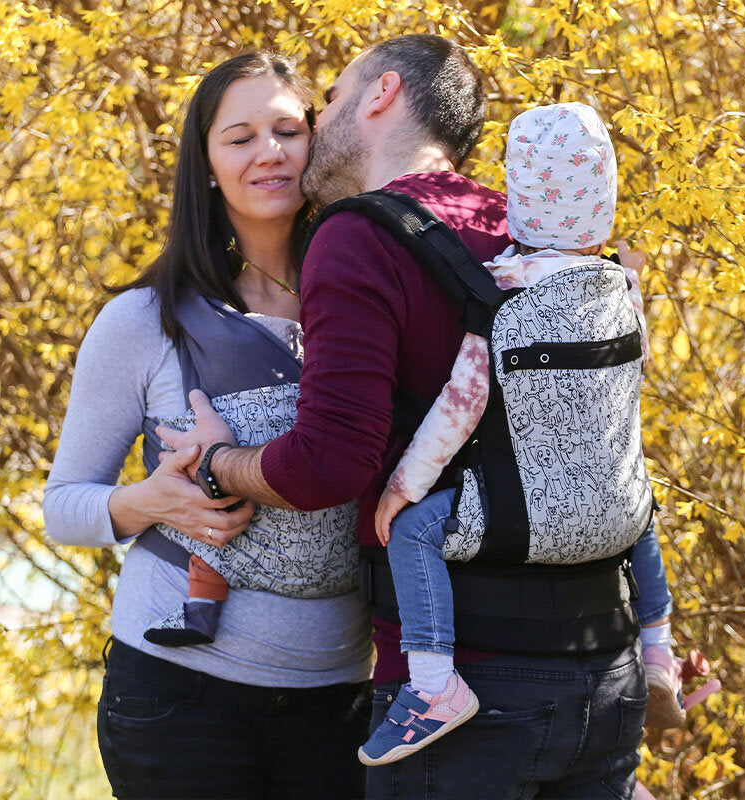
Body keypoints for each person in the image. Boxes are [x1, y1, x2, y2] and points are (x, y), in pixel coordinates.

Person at [160, 35, 648, 799]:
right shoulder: (531, 230)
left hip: (465, 695)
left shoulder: (359, 236)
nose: (316, 123)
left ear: (381, 93)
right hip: (605, 669)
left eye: (331, 98)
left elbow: (327, 465)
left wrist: (219, 465)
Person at [43, 51, 372, 800]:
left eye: (288, 130)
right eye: (240, 137)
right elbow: (63, 506)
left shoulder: (368, 303)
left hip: (342, 703)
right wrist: (149, 502)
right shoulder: (143, 319)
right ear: (207, 165)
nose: (270, 153)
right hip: (180, 700)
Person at [359, 101, 670, 765]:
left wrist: (402, 487)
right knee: (638, 500)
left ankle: (434, 686)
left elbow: (461, 406)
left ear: (520, 201)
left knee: (412, 532)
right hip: (608, 523)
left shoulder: (501, 296)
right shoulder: (622, 290)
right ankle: (660, 652)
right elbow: (635, 370)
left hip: (524, 520)